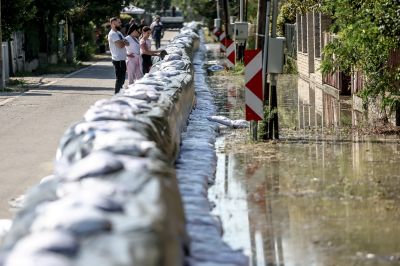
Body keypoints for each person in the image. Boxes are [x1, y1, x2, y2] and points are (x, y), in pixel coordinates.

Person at [108, 17, 129, 94]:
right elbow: (120, 45)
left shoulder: (119, 33)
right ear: (113, 23)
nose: (120, 24)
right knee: (119, 79)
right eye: (119, 22)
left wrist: (122, 42)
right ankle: (116, 95)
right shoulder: (112, 34)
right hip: (117, 59)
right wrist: (123, 42)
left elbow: (127, 43)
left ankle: (119, 94)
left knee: (122, 79)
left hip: (122, 59)